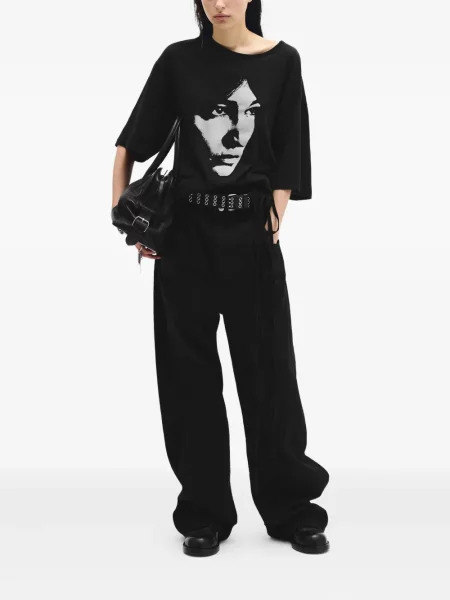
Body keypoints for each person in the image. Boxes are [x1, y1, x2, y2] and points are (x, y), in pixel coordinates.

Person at [112, 0, 330, 557]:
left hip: (251, 240)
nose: (219, 2)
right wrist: (126, 219)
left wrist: (274, 221)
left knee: (270, 376)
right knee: (188, 380)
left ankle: (290, 508)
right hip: (185, 241)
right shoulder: (178, 61)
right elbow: (131, 142)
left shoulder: (283, 61)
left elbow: (289, 150)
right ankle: (204, 512)